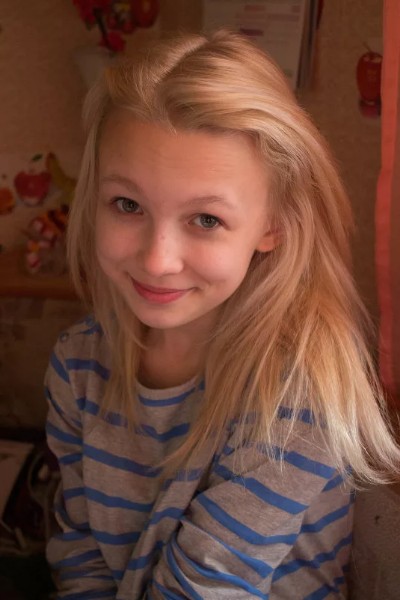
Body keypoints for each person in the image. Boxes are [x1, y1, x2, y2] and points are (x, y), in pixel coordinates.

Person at [45, 29, 400, 599]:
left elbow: (204, 586)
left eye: (206, 220)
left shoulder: (299, 387)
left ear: (273, 224)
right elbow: (80, 551)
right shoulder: (76, 364)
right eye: (128, 205)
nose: (158, 260)